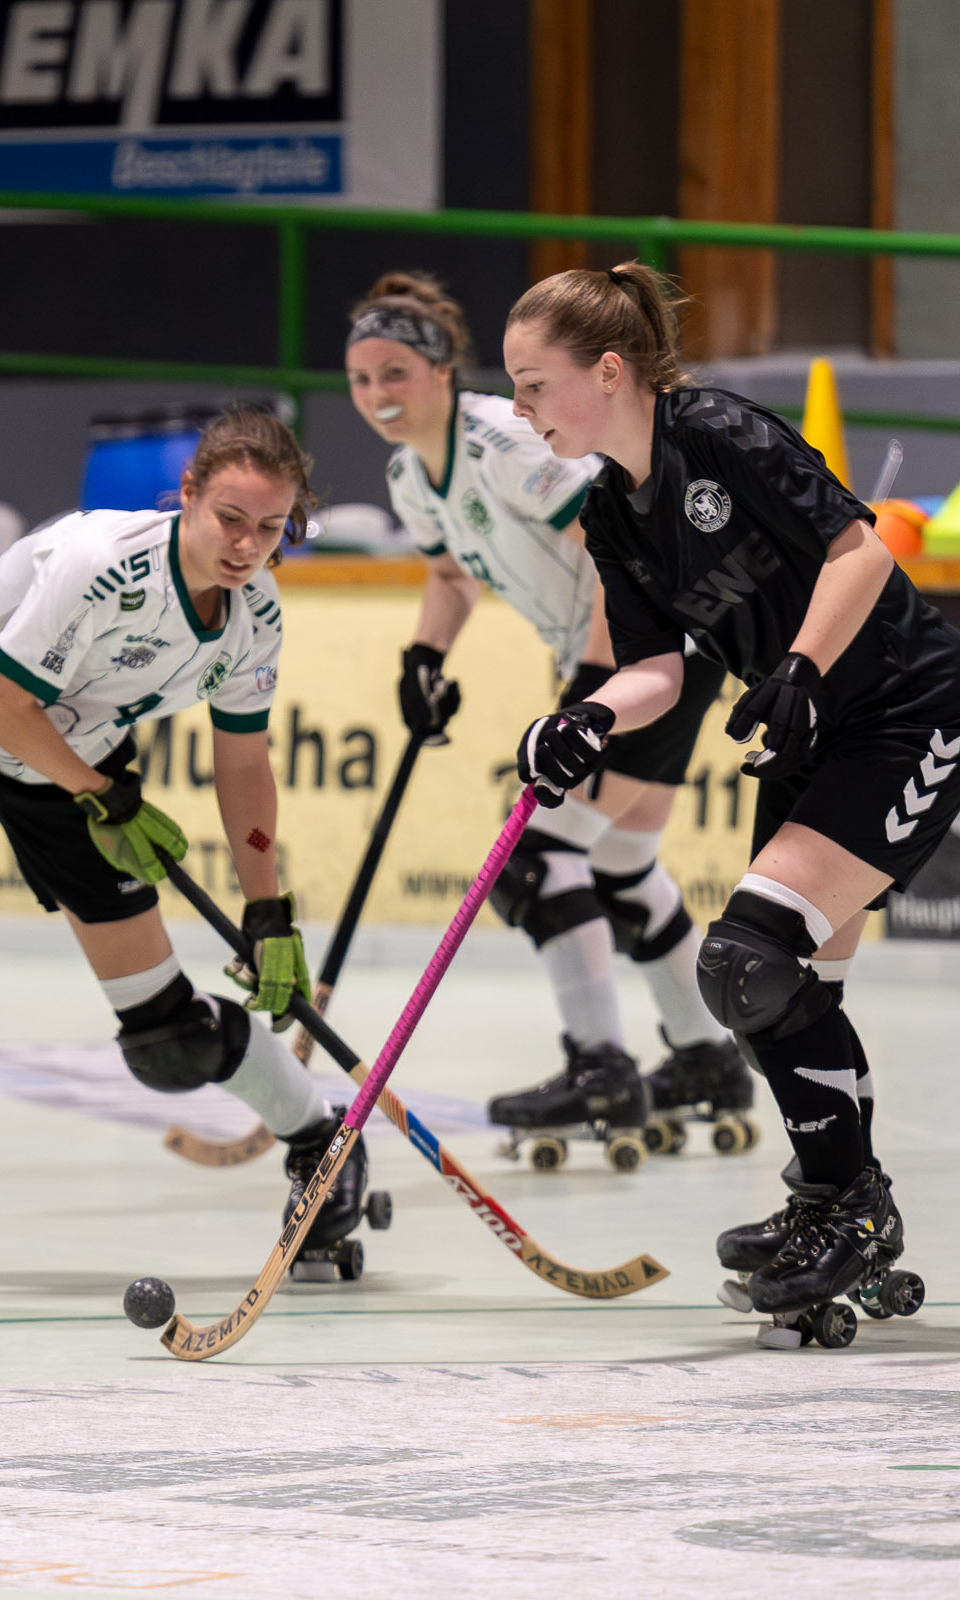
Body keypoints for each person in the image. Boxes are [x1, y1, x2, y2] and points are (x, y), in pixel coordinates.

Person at [0, 408, 364, 1310]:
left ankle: (323, 1144)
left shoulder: (257, 614)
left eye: (271, 527)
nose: (247, 545)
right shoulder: (100, 562)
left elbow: (243, 763)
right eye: (230, 518)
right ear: (187, 495)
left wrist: (267, 911)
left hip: (70, 768)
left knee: (169, 1041)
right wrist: (103, 794)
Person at [503, 263, 960, 1341]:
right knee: (784, 983)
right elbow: (658, 670)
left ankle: (847, 1208)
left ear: (609, 371)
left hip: (909, 711)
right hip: (807, 736)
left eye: (534, 384)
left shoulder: (719, 433)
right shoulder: (611, 512)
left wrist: (803, 667)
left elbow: (859, 549)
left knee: (746, 960)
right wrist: (585, 718)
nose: (521, 408)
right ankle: (838, 1202)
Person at [344, 270, 746, 1171]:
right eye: (361, 378)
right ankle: (705, 1060)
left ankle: (600, 1068)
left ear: (443, 370)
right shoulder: (411, 475)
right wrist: (423, 659)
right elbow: (450, 575)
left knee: (535, 860)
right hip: (644, 659)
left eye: (395, 373)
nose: (377, 394)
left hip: (652, 651)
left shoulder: (502, 441)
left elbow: (610, 553)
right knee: (616, 865)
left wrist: (596, 690)